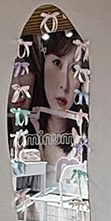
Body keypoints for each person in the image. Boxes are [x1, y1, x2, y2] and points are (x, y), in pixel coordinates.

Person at [31, 31, 88, 169]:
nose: (64, 85)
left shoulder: (85, 139)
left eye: (74, 69)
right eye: (57, 63)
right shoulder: (28, 129)